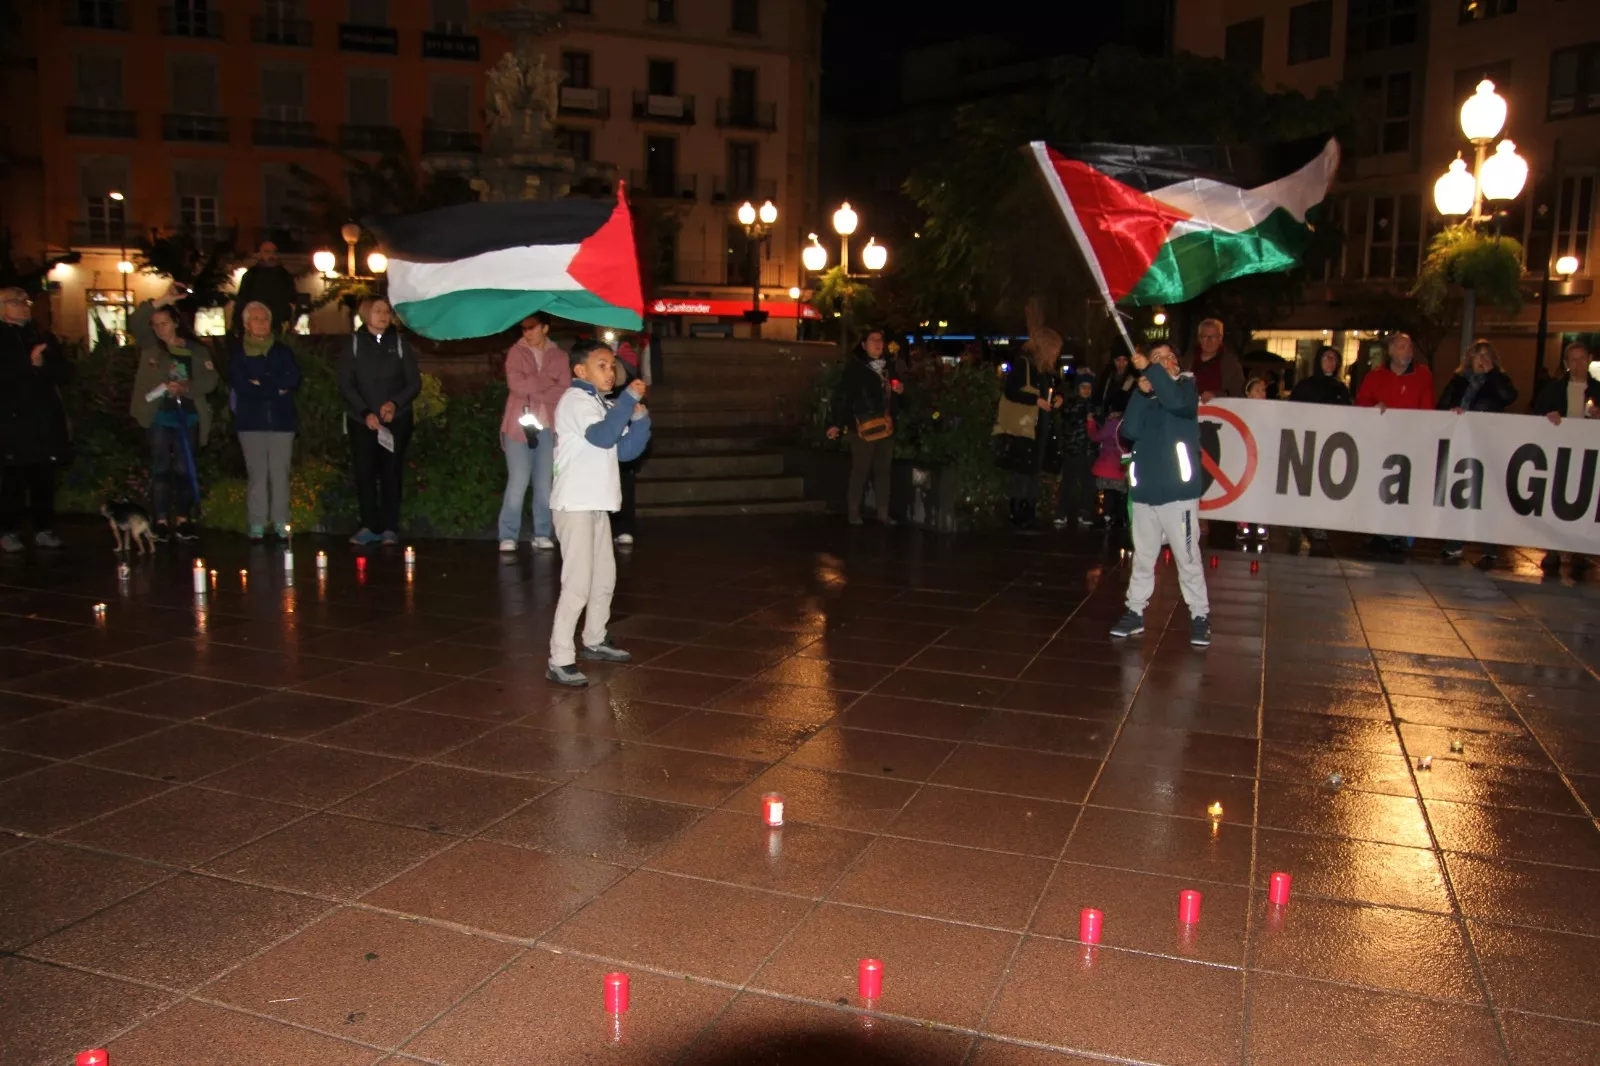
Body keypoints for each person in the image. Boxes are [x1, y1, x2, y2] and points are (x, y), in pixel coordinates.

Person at [546, 338, 652, 687]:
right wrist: (628, 401)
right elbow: (604, 437)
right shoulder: (575, 400)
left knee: (604, 578)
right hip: (575, 504)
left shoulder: (601, 403)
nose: (611, 372)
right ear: (580, 370)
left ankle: (594, 637)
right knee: (577, 584)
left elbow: (624, 451)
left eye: (612, 366)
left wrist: (640, 420)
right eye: (602, 365)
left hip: (595, 503)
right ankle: (560, 658)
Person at [1109, 342, 1211, 647]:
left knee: (1187, 557)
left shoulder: (1185, 387)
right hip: (1146, 492)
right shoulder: (1147, 394)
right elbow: (1129, 431)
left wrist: (1152, 371)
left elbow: (1178, 404)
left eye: (1168, 357)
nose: (1163, 362)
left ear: (1176, 364)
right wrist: (1140, 394)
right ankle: (1135, 611)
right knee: (1143, 557)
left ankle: (1200, 615)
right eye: (1156, 359)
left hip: (1178, 492)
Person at [130, 282, 219, 542]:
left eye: (165, 323)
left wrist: (186, 388)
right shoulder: (151, 346)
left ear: (176, 323)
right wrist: (162, 300)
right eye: (156, 325)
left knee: (183, 467)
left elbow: (210, 380)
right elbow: (135, 322)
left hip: (187, 416)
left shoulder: (196, 350)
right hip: (158, 415)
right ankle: (159, 520)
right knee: (160, 466)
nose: (160, 329)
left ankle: (182, 518)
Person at [337, 297, 420, 547]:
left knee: (391, 472)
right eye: (377, 311)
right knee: (364, 472)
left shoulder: (400, 344)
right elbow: (346, 383)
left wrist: (394, 403)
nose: (383, 315)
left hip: (395, 420)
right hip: (362, 420)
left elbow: (413, 383)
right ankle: (369, 525)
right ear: (366, 315)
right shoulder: (354, 344)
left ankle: (389, 527)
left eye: (386, 311)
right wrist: (365, 412)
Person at [0, 287, 71, 552]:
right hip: (12, 421)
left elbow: (65, 373)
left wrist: (42, 365)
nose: (23, 306)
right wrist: (27, 365)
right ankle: (9, 530)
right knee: (13, 479)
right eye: (15, 302)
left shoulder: (41, 335)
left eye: (25, 301)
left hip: (43, 419)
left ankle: (44, 528)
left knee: (44, 478)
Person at [1437, 339, 1518, 563]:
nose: (1481, 360)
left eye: (1486, 356)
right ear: (1469, 359)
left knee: (1488, 494)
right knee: (1460, 492)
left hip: (1488, 443)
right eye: (1478, 355)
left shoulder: (1498, 380)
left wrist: (1492, 374)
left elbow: (1509, 397)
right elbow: (1441, 405)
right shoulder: (1458, 381)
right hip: (1462, 442)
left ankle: (1490, 547)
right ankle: (1454, 543)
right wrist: (1452, 410)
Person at [1356, 331, 1435, 552]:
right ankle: (1383, 531)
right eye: (1401, 347)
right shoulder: (1376, 376)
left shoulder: (1422, 375)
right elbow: (1362, 402)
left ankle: (1397, 533)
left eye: (1409, 347)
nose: (1407, 351)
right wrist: (1374, 407)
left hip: (1410, 442)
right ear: (1390, 351)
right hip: (1382, 442)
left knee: (1403, 488)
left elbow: (1428, 407)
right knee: (1382, 486)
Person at [229, 301, 301, 541]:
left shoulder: (282, 352)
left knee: (280, 473)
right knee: (257, 474)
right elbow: (241, 385)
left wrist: (260, 384)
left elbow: (292, 379)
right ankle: (257, 521)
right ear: (246, 324)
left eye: (265, 319)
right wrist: (274, 388)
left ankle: (281, 520)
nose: (262, 323)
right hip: (250, 422)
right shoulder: (238, 354)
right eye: (256, 319)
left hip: (282, 422)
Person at [497, 312, 568, 553]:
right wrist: (547, 381)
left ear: (545, 328)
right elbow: (516, 385)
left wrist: (534, 386)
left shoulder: (559, 356)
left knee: (544, 483)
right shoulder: (516, 352)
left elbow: (563, 389)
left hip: (547, 427)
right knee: (518, 480)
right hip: (518, 428)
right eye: (523, 328)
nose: (527, 332)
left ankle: (542, 532)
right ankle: (508, 534)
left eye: (531, 327)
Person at [1530, 339, 1599, 577]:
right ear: (1566, 363)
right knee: (1556, 499)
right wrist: (1548, 415)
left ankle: (1580, 550)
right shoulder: (1554, 389)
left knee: (1584, 500)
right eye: (1573, 360)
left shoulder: (1598, 390)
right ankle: (1553, 548)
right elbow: (1537, 410)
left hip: (1589, 454)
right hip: (1559, 452)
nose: (1578, 364)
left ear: (1589, 360)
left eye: (1582, 359)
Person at [826, 328, 902, 526]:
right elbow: (844, 397)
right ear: (864, 345)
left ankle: (883, 513)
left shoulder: (889, 367)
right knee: (861, 470)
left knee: (883, 471)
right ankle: (854, 511)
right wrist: (837, 424)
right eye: (873, 340)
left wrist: (899, 391)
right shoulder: (856, 368)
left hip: (885, 426)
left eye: (880, 340)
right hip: (862, 426)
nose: (878, 343)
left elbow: (897, 399)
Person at [996, 330, 1063, 527]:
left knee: (1034, 469)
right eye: (1053, 350)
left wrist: (1057, 398)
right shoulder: (1024, 364)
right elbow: (1011, 391)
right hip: (1024, 426)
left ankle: (1029, 510)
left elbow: (1051, 391)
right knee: (1022, 470)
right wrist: (1035, 400)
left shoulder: (1045, 370)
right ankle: (1018, 511)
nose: (1055, 355)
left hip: (1040, 426)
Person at [1289, 345, 1352, 548]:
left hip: (1329, 445)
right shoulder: (1305, 386)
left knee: (1321, 485)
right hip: (1305, 443)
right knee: (1301, 484)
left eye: (1334, 358)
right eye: (1326, 357)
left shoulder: (1341, 389)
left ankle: (1317, 524)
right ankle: (1296, 522)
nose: (1330, 361)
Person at [610, 335, 646, 547]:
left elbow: (628, 374)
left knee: (625, 476)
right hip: (605, 418)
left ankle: (624, 526)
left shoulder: (627, 351)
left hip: (625, 420)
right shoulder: (591, 349)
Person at [1053, 373, 1098, 530]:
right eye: (1083, 387)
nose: (1086, 390)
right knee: (1069, 482)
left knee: (1089, 483)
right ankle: (1062, 512)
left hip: (1089, 450)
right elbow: (1068, 420)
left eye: (1089, 387)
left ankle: (1085, 512)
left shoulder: (1095, 405)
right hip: (1073, 449)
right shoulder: (1071, 404)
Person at [231, 241, 299, 335]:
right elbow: (242, 301)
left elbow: (293, 301)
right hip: (256, 324)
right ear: (260, 254)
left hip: (279, 324)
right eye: (267, 252)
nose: (271, 255)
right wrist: (237, 325)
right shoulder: (251, 275)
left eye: (274, 252)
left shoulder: (285, 276)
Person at [1185, 318, 1246, 402]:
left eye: (1213, 337)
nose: (1209, 341)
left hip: (1219, 408)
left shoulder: (1231, 365)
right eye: (1205, 337)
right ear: (1199, 338)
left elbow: (1239, 393)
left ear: (1220, 338)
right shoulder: (1187, 361)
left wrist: (1216, 395)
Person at [1093, 349, 1136, 417]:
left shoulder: (1133, 379)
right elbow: (1099, 397)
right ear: (1113, 361)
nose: (1121, 363)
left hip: (1124, 418)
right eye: (1118, 360)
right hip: (1106, 417)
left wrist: (1121, 413)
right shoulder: (1107, 376)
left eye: (1125, 360)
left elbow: (1134, 404)